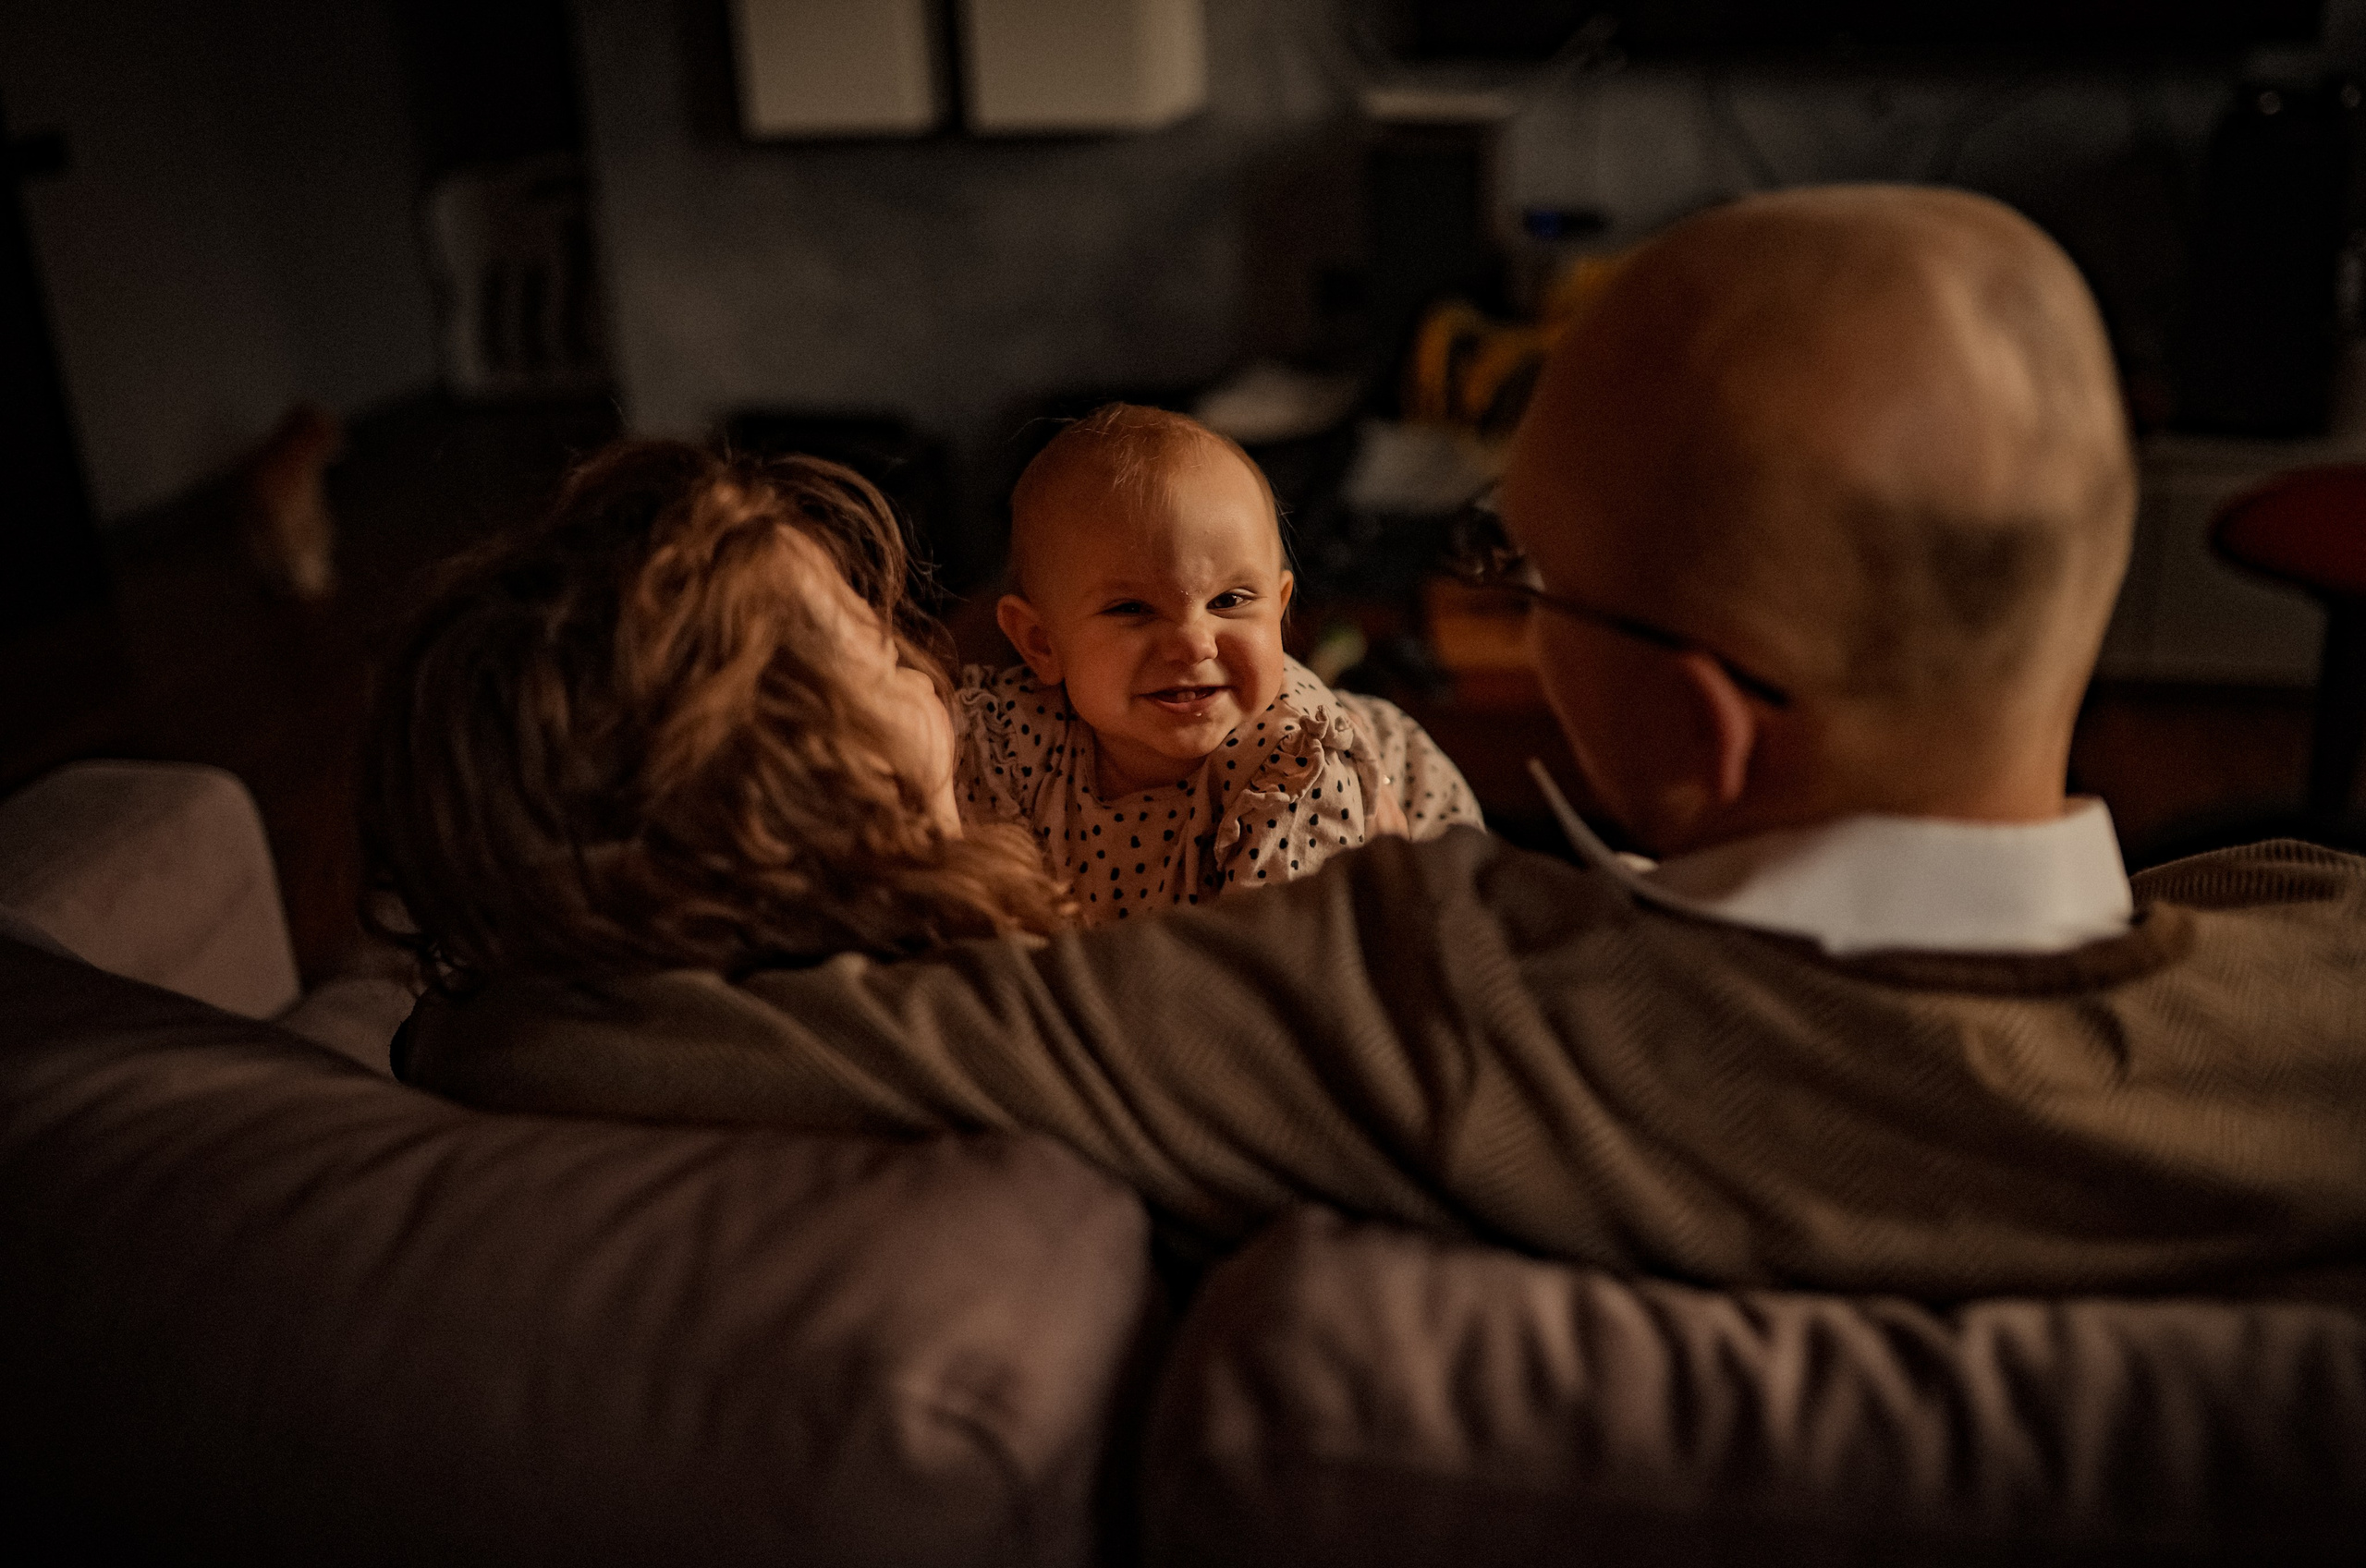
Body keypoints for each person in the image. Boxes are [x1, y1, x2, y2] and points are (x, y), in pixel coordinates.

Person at [396, 186, 2366, 1298]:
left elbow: (544, 1040)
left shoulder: (1420, 1005)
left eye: (1529, 572)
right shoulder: (2323, 960)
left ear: (1692, 724)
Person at [361, 441, 1071, 991]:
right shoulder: (999, 999)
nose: (922, 676)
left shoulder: (481, 1031)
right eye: (885, 656)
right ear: (815, 797)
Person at [958, 404, 1481, 924]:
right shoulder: (1008, 738)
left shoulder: (1292, 768)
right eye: (1132, 609)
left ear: (1278, 610)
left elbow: (1277, 968)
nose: (1194, 645)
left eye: (1229, 600)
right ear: (1041, 644)